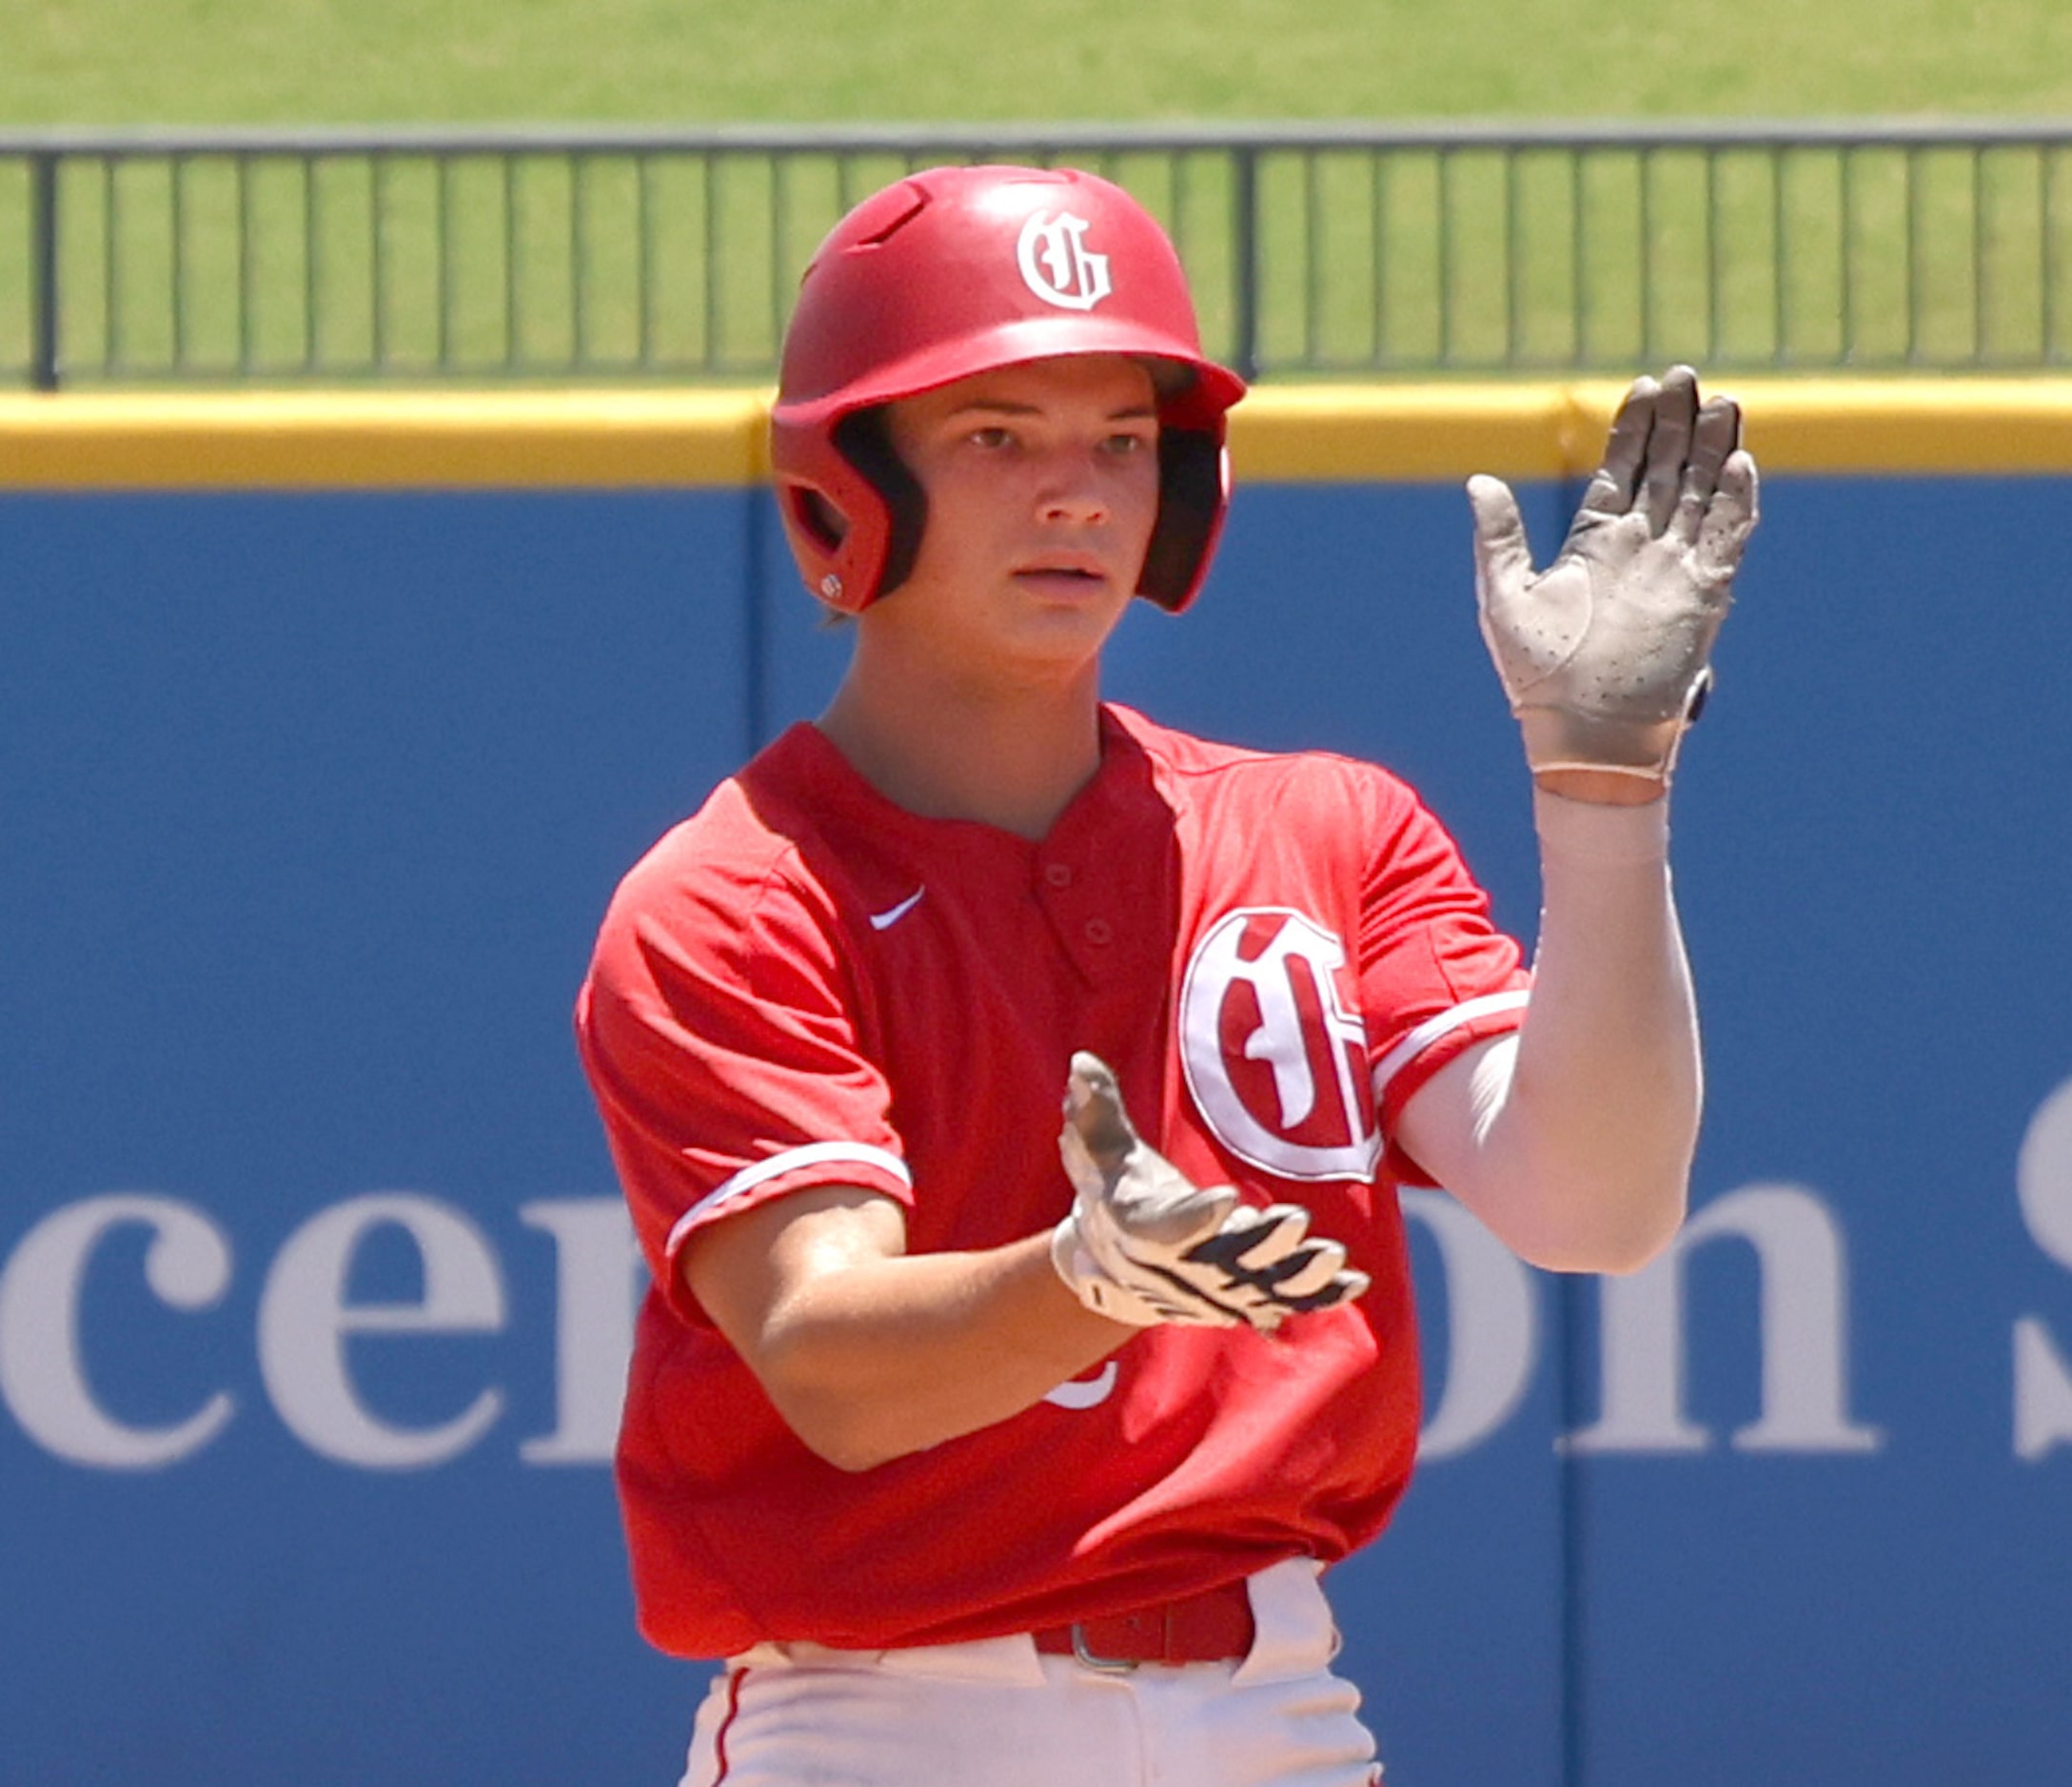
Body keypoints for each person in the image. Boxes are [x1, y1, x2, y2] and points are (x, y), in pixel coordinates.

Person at [575, 163, 1757, 1787]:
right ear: (849, 487)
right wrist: (1087, 1278)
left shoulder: (1327, 830)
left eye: (1121, 441)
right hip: (881, 1721)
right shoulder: (737, 895)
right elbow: (829, 1360)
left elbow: (1592, 1203)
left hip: (1273, 1709)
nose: (1075, 492)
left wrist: (1605, 788)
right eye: (996, 435)